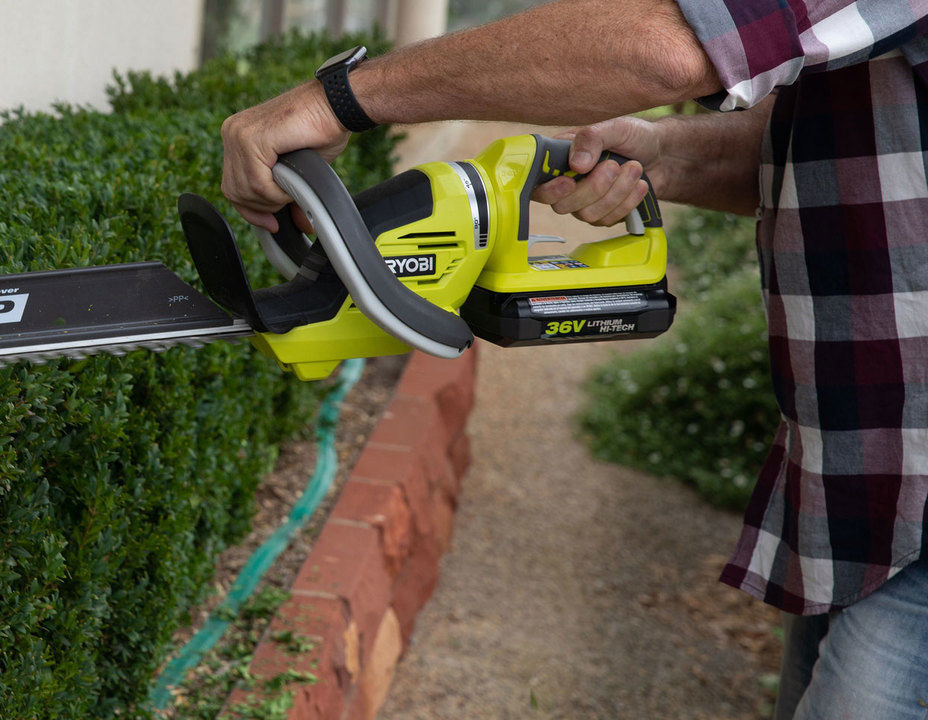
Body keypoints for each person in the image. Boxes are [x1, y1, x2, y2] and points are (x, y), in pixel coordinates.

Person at [219, 1, 928, 717]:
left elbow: (674, 45)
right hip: (862, 486)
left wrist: (338, 98)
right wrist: (663, 156)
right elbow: (833, 153)